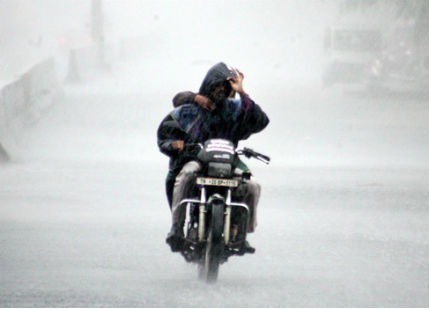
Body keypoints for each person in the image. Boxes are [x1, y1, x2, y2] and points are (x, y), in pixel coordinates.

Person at [157, 62, 269, 252]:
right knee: (184, 177)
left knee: (252, 186)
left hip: (229, 161)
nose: (221, 91)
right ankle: (177, 227)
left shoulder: (235, 109)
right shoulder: (188, 110)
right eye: (217, 86)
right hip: (195, 160)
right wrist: (176, 146)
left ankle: (240, 233)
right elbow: (165, 134)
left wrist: (242, 92)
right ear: (208, 85)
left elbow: (260, 121)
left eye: (225, 88)